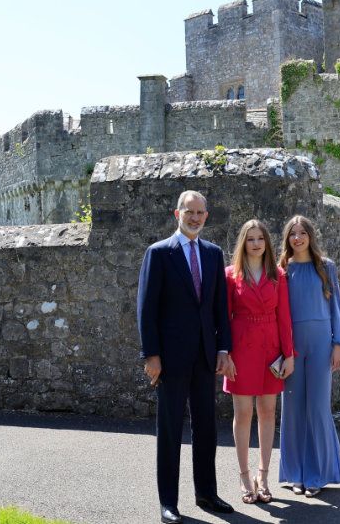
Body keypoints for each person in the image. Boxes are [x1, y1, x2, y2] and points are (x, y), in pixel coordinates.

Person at [137, 190, 235, 524]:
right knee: (170, 431)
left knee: (207, 428)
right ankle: (169, 502)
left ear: (207, 216)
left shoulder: (213, 253)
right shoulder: (159, 253)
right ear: (176, 213)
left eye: (200, 213)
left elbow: (220, 307)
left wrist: (224, 349)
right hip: (170, 358)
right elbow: (146, 310)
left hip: (206, 356)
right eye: (188, 212)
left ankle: (207, 493)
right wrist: (151, 355)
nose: (194, 218)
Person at [223, 220, 295, 505]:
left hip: (271, 350)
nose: (255, 244)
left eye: (260, 239)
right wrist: (224, 353)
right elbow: (224, 319)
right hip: (240, 349)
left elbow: (285, 318)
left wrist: (289, 354)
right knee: (242, 414)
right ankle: (244, 476)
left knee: (267, 412)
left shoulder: (277, 274)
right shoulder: (230, 275)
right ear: (243, 243)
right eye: (250, 239)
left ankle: (263, 476)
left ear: (267, 243)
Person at [278, 215, 340, 498]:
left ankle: (318, 473)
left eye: (302, 232)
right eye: (292, 233)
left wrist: (339, 344)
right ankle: (296, 473)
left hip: (320, 343)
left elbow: (337, 308)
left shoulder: (325, 267)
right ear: (287, 238)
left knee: (318, 408)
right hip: (291, 345)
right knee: (293, 409)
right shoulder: (281, 269)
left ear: (310, 236)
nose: (297, 238)